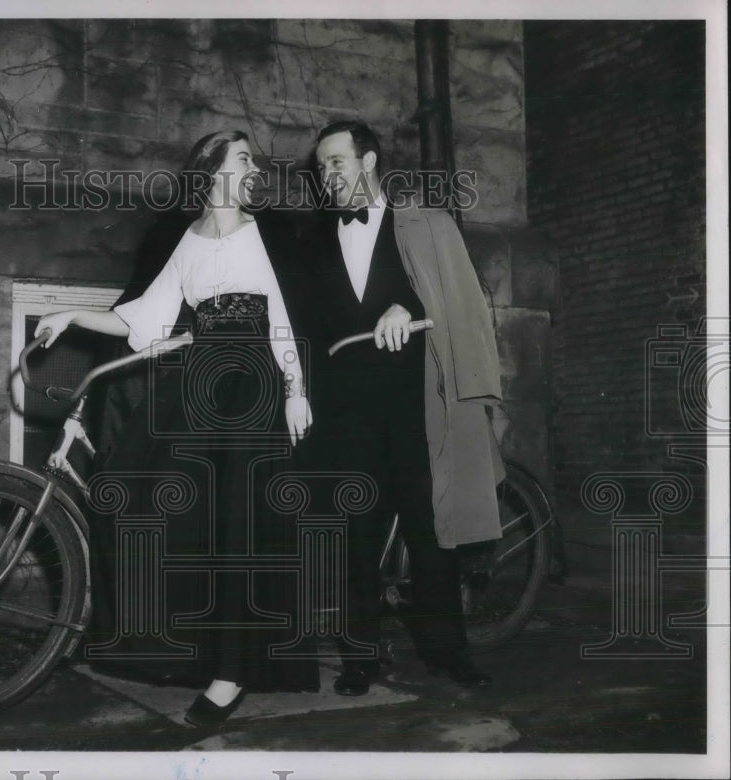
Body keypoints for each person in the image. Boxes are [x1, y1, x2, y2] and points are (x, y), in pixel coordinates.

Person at [36, 131, 320, 727]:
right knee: (163, 510)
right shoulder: (187, 239)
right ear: (213, 170)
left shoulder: (268, 232)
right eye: (243, 157)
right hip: (197, 388)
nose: (255, 165)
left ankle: (233, 671)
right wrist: (67, 314)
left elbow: (286, 318)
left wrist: (297, 391)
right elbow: (141, 317)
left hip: (253, 385)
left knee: (238, 524)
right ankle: (188, 647)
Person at [301, 119, 504, 695]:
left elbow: (456, 302)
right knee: (354, 537)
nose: (327, 176)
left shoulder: (425, 224)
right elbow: (304, 326)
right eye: (321, 167)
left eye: (336, 162)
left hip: (416, 407)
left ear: (368, 163)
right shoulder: (313, 238)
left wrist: (403, 307)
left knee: (432, 532)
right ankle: (361, 659)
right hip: (342, 412)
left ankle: (451, 654)